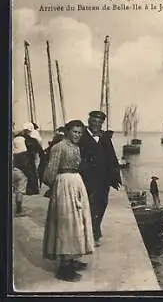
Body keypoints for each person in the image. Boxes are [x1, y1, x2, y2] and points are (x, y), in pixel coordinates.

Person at [42, 120, 94, 282]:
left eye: (80, 132)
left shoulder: (75, 147)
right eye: (75, 132)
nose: (77, 135)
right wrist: (58, 187)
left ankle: (72, 258)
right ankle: (64, 267)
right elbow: (49, 173)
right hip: (64, 185)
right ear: (67, 131)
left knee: (78, 221)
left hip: (76, 184)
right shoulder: (59, 147)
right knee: (67, 224)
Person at [78, 110, 121, 246]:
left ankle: (94, 232)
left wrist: (115, 177)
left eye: (99, 122)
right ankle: (90, 234)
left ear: (102, 123)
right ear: (89, 121)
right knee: (88, 206)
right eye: (94, 121)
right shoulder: (82, 137)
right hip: (86, 179)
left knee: (101, 205)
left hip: (103, 181)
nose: (96, 124)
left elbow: (112, 157)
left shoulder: (104, 138)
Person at [15, 122, 44, 195]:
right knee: (32, 174)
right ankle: (31, 190)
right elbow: (40, 151)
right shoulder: (33, 140)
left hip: (19, 161)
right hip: (30, 159)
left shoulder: (17, 138)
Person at [12, 136, 30, 216]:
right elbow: (25, 166)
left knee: (15, 190)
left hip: (12, 171)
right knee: (19, 191)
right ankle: (19, 210)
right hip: (20, 172)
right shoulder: (24, 154)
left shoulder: (13, 153)